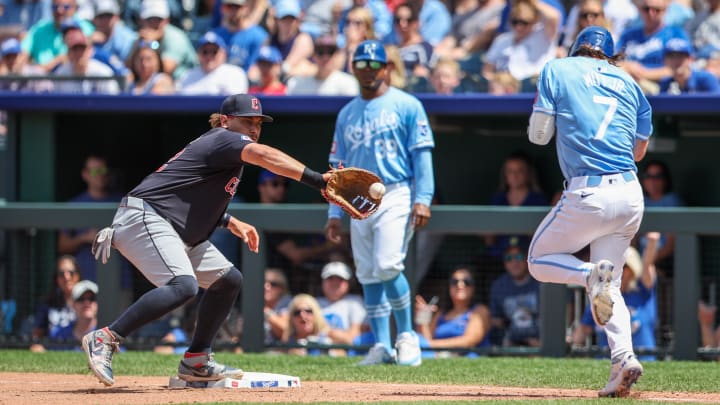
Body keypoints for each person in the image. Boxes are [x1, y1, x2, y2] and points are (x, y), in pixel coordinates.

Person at [80, 93, 333, 387]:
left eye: (258, 123)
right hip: (146, 217)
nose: (253, 128)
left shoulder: (223, 151)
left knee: (228, 280)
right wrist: (318, 181)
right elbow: (267, 157)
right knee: (183, 285)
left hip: (170, 224)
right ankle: (105, 338)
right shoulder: (224, 138)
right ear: (226, 121)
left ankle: (196, 360)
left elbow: (185, 194)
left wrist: (229, 220)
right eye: (247, 121)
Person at [526, 26, 653, 397]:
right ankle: (624, 359)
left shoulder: (558, 68)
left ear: (575, 48)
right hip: (630, 192)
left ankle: (585, 275)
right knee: (611, 285)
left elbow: (539, 134)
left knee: (538, 259)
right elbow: (639, 153)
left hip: (588, 191)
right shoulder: (631, 83)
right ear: (612, 57)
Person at [324, 39, 435, 367]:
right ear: (353, 68)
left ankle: (406, 337)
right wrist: (334, 212)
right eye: (361, 64)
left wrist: (424, 198)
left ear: (387, 68)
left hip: (395, 191)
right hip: (356, 199)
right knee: (369, 273)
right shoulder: (346, 112)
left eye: (374, 65)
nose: (368, 70)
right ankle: (382, 346)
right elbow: (337, 168)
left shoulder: (407, 104)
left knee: (387, 264)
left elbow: (422, 155)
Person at [572, 237, 658, 361]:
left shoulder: (642, 291)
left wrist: (652, 242)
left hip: (643, 360)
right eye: (615, 267)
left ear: (633, 271)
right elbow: (584, 329)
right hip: (606, 363)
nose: (619, 271)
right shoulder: (601, 294)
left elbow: (648, 265)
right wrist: (572, 347)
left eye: (624, 267)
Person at [57, 154, 125, 284]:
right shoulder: (75, 205)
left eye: (103, 171)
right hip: (86, 280)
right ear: (85, 175)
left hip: (119, 279)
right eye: (95, 171)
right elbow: (62, 245)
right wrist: (85, 237)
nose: (100, 175)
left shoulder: (122, 202)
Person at [414, 267, 492, 357]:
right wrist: (422, 316)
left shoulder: (479, 310)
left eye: (466, 282)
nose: (460, 285)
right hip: (437, 356)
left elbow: (469, 341)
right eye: (455, 282)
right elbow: (426, 339)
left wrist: (432, 345)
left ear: (474, 288)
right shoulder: (441, 314)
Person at [489, 236, 541, 347]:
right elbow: (496, 320)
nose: (514, 262)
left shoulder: (541, 280)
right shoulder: (499, 285)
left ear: (527, 258)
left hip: (540, 339)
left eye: (518, 256)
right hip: (511, 341)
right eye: (509, 258)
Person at [30, 255, 81, 352]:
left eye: (71, 272)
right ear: (56, 278)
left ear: (78, 275)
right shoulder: (47, 304)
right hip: (54, 349)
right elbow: (37, 335)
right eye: (61, 274)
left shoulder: (88, 302)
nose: (66, 277)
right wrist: (37, 346)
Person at [176, 31, 249, 95]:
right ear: (198, 54)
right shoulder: (187, 75)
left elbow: (237, 103)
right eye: (205, 52)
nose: (209, 56)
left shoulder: (235, 73)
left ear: (224, 54)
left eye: (214, 52)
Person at [316, 261, 367, 346]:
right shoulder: (314, 302)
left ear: (348, 283)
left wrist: (329, 333)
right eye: (330, 278)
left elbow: (352, 338)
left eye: (340, 279)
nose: (335, 283)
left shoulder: (355, 302)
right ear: (323, 282)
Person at [263, 267, 292, 346]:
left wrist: (266, 312)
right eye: (263, 282)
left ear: (282, 288)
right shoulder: (251, 302)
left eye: (273, 284)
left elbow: (285, 331)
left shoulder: (288, 303)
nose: (266, 287)